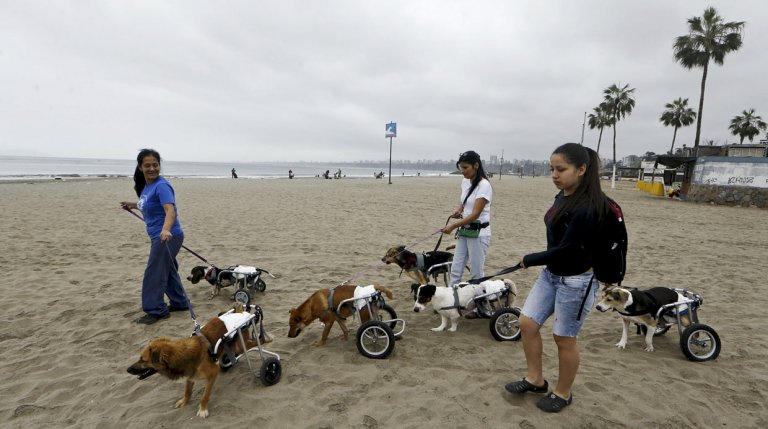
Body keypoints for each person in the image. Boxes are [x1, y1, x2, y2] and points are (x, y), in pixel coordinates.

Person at [504, 143, 606, 413]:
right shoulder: (562, 196)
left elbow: (568, 249)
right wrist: (540, 261)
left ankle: (563, 392)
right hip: (552, 274)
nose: (554, 174)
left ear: (581, 169)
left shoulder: (589, 207)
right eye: (552, 168)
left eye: (561, 169)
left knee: (564, 338)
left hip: (577, 281)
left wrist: (529, 259)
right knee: (526, 323)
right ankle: (535, 379)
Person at [120, 149, 188, 325]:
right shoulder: (148, 186)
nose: (152, 168)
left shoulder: (162, 185)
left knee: (154, 273)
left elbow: (170, 210)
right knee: (167, 269)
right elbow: (149, 204)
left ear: (159, 165)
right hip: (161, 236)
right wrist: (133, 205)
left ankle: (155, 310)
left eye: (155, 165)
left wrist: (166, 230)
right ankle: (180, 303)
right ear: (140, 167)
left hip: (167, 237)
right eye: (147, 165)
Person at [441, 151, 492, 308]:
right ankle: (450, 302)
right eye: (460, 167)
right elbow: (464, 203)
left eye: (465, 167)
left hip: (479, 233)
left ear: (476, 166)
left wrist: (452, 226)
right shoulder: (465, 182)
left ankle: (480, 307)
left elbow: (476, 213)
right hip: (465, 231)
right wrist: (459, 210)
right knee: (456, 269)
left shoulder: (484, 185)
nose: (462, 171)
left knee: (476, 273)